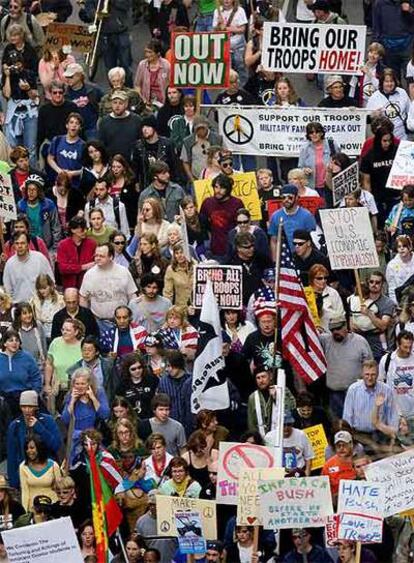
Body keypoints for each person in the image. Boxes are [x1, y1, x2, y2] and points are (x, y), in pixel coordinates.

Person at [320, 316, 373, 418]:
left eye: (338, 328)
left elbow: (370, 366)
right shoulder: (326, 340)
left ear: (346, 326)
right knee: (339, 424)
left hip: (357, 393)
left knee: (359, 421)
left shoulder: (360, 341)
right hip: (335, 394)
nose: (335, 332)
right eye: (332, 330)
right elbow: (309, 336)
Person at [7, 390, 61, 489]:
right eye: (24, 406)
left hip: (47, 473)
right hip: (25, 474)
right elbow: (12, 455)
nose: (27, 410)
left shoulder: (48, 421)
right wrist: (14, 482)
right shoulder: (15, 425)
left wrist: (39, 428)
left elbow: (56, 445)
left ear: (36, 407)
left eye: (30, 406)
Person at [343, 360, 399, 456]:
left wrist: (393, 437)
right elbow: (347, 417)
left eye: (373, 374)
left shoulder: (386, 390)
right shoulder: (353, 390)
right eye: (367, 374)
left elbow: (392, 415)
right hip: (360, 436)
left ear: (377, 374)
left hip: (381, 435)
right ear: (362, 374)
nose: (369, 378)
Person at [2, 36, 39, 166]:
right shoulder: (9, 76)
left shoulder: (29, 74)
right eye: (13, 64)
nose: (16, 67)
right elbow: (7, 95)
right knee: (12, 147)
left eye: (18, 64)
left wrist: (28, 88)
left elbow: (35, 95)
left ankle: (33, 175)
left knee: (31, 148)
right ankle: (14, 175)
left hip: (29, 112)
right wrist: (7, 76)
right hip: (14, 111)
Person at [79, 243, 137, 325]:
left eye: (101, 256)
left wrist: (131, 317)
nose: (98, 258)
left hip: (122, 321)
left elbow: (132, 296)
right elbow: (83, 298)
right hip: (98, 321)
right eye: (96, 256)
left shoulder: (123, 272)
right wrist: (86, 319)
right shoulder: (89, 274)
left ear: (111, 257)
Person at [62, 367, 110, 464]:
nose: (79, 387)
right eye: (77, 384)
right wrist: (72, 401)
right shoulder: (70, 395)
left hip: (94, 439)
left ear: (89, 384)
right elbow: (65, 419)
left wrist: (93, 398)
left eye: (83, 384)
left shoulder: (98, 392)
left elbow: (105, 414)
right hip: (76, 441)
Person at [360, 121, 399, 227]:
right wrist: (369, 198)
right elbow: (366, 180)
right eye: (385, 141)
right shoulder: (369, 156)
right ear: (378, 140)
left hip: (395, 195)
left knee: (394, 223)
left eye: (390, 141)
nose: (388, 143)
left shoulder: (397, 151)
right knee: (380, 223)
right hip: (378, 195)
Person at [351, 271, 395, 362]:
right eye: (371, 282)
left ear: (382, 284)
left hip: (378, 347)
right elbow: (352, 325)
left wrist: (369, 313)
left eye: (377, 282)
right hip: (359, 345)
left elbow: (383, 326)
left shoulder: (388, 303)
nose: (374, 284)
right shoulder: (358, 299)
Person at [199, 173, 243, 259]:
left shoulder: (237, 203)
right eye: (216, 187)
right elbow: (202, 224)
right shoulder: (207, 202)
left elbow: (242, 226)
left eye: (222, 188)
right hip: (214, 249)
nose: (218, 191)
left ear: (228, 189)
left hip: (233, 250)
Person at [43, 318, 83, 412]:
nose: (64, 332)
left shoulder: (83, 344)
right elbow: (49, 364)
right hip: (58, 388)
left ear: (76, 332)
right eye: (63, 329)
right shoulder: (55, 342)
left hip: (78, 389)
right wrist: (47, 384)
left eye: (68, 330)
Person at [3, 232, 54, 303]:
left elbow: (51, 281)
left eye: (22, 243)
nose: (20, 246)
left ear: (28, 244)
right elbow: (8, 290)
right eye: (17, 243)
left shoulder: (40, 258)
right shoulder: (9, 264)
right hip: (19, 307)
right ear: (14, 245)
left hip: (40, 304)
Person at [132, 114, 179, 189]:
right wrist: (136, 182)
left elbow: (174, 167)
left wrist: (174, 185)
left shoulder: (167, 145)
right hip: (145, 187)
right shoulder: (138, 146)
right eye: (143, 127)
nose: (144, 129)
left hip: (166, 186)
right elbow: (135, 168)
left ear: (154, 128)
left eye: (148, 126)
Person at [17, 174, 61, 253]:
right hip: (27, 247)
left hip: (47, 247)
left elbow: (56, 227)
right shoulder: (21, 206)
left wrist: (55, 249)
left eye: (34, 189)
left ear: (39, 191)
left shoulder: (48, 205)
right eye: (29, 189)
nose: (31, 192)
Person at [268, 184, 316, 254]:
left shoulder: (307, 216)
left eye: (290, 197)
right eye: (283, 197)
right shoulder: (275, 216)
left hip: (303, 256)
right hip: (284, 257)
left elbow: (312, 240)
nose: (286, 200)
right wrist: (275, 262)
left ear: (297, 197)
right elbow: (273, 241)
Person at [36, 80, 77, 161]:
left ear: (64, 93)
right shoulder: (44, 110)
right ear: (50, 93)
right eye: (55, 93)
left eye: (60, 92)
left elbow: (79, 128)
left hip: (70, 144)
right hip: (51, 144)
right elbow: (40, 133)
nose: (58, 95)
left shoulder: (72, 107)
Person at [367, 68, 411, 140]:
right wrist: (373, 115)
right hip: (383, 139)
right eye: (386, 81)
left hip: (401, 136)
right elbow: (367, 120)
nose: (389, 84)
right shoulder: (375, 96)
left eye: (391, 81)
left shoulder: (402, 92)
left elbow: (410, 111)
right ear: (382, 82)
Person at [19, 435, 61, 511]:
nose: (28, 451)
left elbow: (60, 489)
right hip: (33, 509)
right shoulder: (23, 467)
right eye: (26, 448)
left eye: (32, 448)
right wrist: (25, 512)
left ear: (39, 448)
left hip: (52, 506)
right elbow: (25, 492)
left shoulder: (54, 465)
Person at [298, 121, 340, 197]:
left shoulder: (332, 144)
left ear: (321, 133)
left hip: (331, 185)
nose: (314, 134)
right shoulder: (304, 148)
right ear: (308, 135)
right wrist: (305, 170)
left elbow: (341, 162)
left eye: (317, 132)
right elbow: (300, 167)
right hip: (312, 187)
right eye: (311, 132)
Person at [63, 63, 103, 140]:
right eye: (66, 77)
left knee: (93, 146)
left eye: (71, 77)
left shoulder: (93, 89)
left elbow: (105, 99)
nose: (68, 79)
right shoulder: (65, 94)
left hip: (91, 127)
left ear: (79, 76)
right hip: (73, 128)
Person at [98, 90, 142, 160]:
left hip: (133, 161)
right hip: (112, 163)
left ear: (126, 104)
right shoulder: (104, 122)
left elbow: (140, 142)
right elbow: (102, 145)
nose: (117, 106)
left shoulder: (136, 120)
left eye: (120, 103)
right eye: (115, 103)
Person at [378, 330, 414, 417]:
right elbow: (380, 383)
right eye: (405, 347)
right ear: (398, 344)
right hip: (394, 411)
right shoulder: (387, 360)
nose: (408, 350)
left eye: (410, 347)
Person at [213, 0, 248, 86]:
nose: (226, 0)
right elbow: (215, 30)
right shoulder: (217, 11)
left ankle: (243, 87)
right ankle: (229, 89)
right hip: (224, 46)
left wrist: (227, 29)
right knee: (227, 70)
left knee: (241, 68)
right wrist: (218, 24)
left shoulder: (240, 11)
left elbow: (242, 29)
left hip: (238, 46)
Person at [56, 216, 97, 290]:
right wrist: (82, 267)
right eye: (82, 229)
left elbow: (96, 263)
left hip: (88, 285)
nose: (85, 231)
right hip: (69, 286)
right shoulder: (63, 245)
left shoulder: (92, 244)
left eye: (86, 229)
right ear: (73, 230)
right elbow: (62, 268)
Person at [47, 111, 85, 189]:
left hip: (75, 185)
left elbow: (86, 169)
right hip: (58, 183)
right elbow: (50, 158)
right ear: (67, 125)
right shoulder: (57, 140)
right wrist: (60, 171)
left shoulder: (83, 146)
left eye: (77, 123)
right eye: (71, 122)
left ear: (80, 127)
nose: (74, 125)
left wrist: (72, 173)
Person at [116, 353, 159, 418]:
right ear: (127, 370)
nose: (137, 371)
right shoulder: (122, 385)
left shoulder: (151, 379)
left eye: (139, 367)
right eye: (133, 369)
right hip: (131, 420)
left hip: (150, 418)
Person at [181, 116, 222, 183]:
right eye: (198, 129)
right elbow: (185, 162)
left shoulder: (218, 139)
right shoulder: (188, 141)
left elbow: (225, 155)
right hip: (196, 179)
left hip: (216, 179)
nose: (201, 131)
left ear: (207, 127)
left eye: (203, 128)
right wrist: (192, 180)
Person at [134, 39, 170, 109]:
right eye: (146, 52)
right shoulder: (142, 65)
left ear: (158, 53)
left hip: (164, 103)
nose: (147, 55)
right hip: (146, 103)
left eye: (150, 52)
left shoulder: (166, 65)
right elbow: (137, 85)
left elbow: (171, 85)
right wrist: (143, 101)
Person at [308, 264, 345, 332]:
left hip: (330, 332)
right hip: (311, 332)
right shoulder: (306, 292)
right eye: (319, 278)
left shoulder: (333, 293)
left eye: (325, 278)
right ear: (312, 278)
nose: (323, 281)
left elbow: (341, 314)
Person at [322, 430, 357, 500]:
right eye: (338, 445)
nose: (341, 448)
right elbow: (323, 488)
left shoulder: (360, 461)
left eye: (344, 445)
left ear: (351, 444)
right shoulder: (328, 465)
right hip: (336, 502)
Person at [386, 235, 414, 303]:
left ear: (410, 247)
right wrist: (397, 303)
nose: (401, 248)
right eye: (399, 246)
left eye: (404, 246)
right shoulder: (391, 265)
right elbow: (391, 288)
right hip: (400, 301)